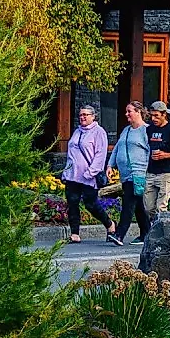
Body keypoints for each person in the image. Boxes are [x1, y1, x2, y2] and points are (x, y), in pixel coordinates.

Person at [59, 103, 112, 242]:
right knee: (72, 203)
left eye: (85, 115)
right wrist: (66, 172)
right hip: (73, 175)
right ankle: (75, 233)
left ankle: (110, 224)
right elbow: (71, 154)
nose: (82, 117)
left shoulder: (99, 132)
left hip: (88, 176)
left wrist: (91, 172)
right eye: (81, 115)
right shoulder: (77, 131)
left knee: (91, 204)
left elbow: (100, 154)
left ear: (93, 117)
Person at [108, 101, 154, 245]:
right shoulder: (126, 130)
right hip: (125, 174)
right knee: (138, 205)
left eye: (130, 111)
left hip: (138, 173)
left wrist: (148, 170)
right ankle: (146, 233)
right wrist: (110, 164)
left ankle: (120, 234)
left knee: (128, 203)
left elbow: (151, 151)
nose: (127, 114)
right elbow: (117, 148)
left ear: (138, 112)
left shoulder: (146, 130)